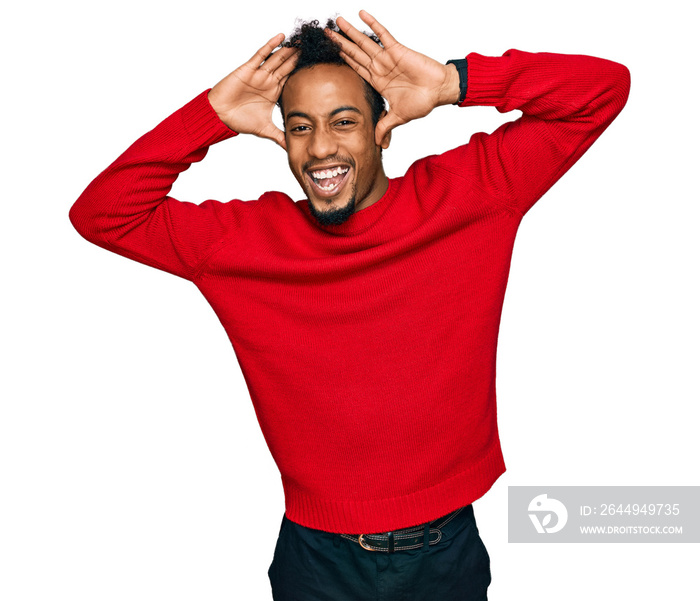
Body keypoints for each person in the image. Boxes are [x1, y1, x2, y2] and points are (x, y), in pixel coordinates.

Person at [70, 10, 630, 600]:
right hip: (316, 561)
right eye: (300, 127)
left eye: (344, 122)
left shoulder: (474, 194)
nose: (321, 149)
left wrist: (452, 83)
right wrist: (208, 118)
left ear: (382, 127)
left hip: (448, 552)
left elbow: (602, 90)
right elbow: (102, 213)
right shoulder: (240, 243)